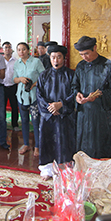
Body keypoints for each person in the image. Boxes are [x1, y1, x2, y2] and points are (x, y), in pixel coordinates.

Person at [72, 36, 111, 159]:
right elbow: (74, 86)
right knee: (83, 149)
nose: (84, 57)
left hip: (101, 115)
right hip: (84, 114)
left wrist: (99, 95)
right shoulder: (81, 66)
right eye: (81, 54)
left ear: (95, 48)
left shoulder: (108, 66)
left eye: (87, 53)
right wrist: (77, 95)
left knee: (100, 147)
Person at [37, 45, 76, 180]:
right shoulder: (44, 75)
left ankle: (64, 169)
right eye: (53, 57)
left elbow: (74, 94)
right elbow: (39, 96)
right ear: (50, 58)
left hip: (64, 116)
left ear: (64, 58)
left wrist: (61, 105)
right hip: (48, 116)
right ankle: (47, 169)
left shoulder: (71, 75)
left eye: (59, 57)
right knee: (47, 142)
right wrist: (50, 109)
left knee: (64, 142)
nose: (56, 60)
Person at [13, 42, 45, 156]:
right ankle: (26, 144)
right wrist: (20, 79)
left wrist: (34, 84)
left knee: (36, 122)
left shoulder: (36, 62)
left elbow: (44, 76)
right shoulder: (17, 63)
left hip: (34, 97)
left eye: (24, 49)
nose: (21, 52)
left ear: (28, 50)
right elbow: (14, 79)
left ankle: (37, 146)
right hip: (21, 97)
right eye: (19, 50)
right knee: (24, 121)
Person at [2, 41, 20, 131]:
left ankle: (15, 124)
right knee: (2, 106)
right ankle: (3, 123)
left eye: (9, 47)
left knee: (14, 106)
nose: (7, 49)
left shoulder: (16, 61)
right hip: (2, 86)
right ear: (3, 49)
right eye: (6, 47)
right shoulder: (0, 60)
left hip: (13, 86)